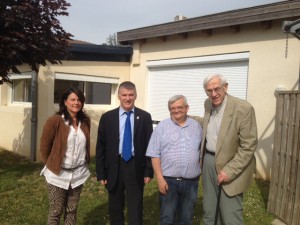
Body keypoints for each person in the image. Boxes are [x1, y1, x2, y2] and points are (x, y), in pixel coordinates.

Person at [200, 74, 258, 225]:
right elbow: (210, 124)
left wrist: (229, 171)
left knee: (230, 215)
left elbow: (249, 145)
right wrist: (185, 116)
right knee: (210, 211)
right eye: (209, 91)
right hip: (208, 162)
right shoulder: (208, 104)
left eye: (217, 89)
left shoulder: (243, 108)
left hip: (231, 164)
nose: (213, 94)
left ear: (225, 87)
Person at [96, 81, 153, 225]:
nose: (128, 98)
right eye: (124, 95)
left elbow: (150, 146)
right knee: (115, 206)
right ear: (119, 96)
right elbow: (101, 147)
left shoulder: (145, 117)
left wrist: (148, 171)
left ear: (135, 96)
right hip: (115, 165)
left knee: (135, 206)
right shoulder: (107, 118)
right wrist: (101, 173)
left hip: (135, 165)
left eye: (131, 95)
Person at [146, 95, 202, 225]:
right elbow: (154, 154)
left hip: (191, 183)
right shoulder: (162, 127)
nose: (176, 110)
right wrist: (160, 180)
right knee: (167, 219)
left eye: (180, 107)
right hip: (169, 182)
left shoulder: (197, 127)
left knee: (186, 219)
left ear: (187, 108)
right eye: (173, 108)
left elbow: (201, 152)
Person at [40, 87, 91, 225]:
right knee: (55, 211)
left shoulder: (85, 122)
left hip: (78, 174)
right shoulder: (55, 121)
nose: (76, 102)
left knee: (72, 210)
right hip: (58, 175)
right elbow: (45, 147)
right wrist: (52, 164)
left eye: (79, 99)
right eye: (73, 99)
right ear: (65, 102)